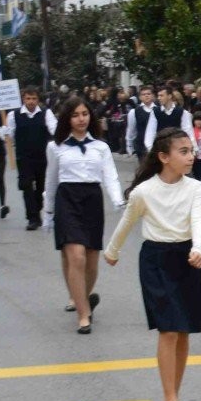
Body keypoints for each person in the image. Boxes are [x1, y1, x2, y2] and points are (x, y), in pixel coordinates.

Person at [104, 129, 201, 401]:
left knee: (183, 330)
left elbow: (198, 220)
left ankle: (175, 395)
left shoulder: (195, 188)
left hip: (187, 259)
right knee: (168, 328)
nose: (190, 156)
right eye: (183, 151)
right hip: (156, 260)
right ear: (163, 157)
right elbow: (127, 222)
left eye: (191, 150)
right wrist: (112, 250)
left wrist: (199, 248)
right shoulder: (145, 191)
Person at [44, 97, 126, 334]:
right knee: (76, 256)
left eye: (85, 114)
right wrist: (48, 211)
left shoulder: (100, 147)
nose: (81, 119)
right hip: (67, 199)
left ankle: (83, 298)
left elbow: (110, 175)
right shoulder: (55, 147)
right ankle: (83, 314)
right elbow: (51, 180)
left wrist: (118, 199)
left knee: (91, 259)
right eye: (75, 115)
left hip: (91, 199)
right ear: (67, 119)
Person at [10, 86, 57, 231]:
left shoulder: (45, 113)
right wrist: (4, 133)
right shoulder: (14, 115)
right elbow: (9, 137)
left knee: (42, 188)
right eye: (28, 98)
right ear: (23, 99)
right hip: (24, 158)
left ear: (38, 99)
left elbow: (54, 129)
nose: (31, 102)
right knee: (26, 186)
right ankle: (32, 218)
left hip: (43, 157)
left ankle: (37, 209)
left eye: (34, 98)